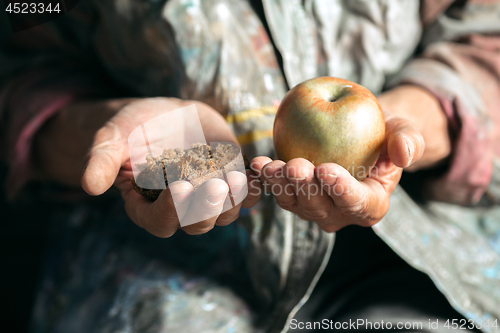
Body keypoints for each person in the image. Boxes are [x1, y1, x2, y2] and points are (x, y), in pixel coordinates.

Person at [1, 0, 499, 332]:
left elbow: (486, 32)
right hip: (157, 263)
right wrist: (98, 131)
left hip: (405, 259)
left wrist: (400, 132)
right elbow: (19, 49)